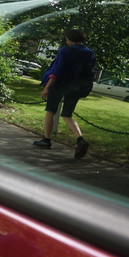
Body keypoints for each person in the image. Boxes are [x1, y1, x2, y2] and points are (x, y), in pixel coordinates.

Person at [32, 29, 96, 160]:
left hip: (60, 85)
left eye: (67, 39)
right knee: (67, 114)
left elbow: (57, 70)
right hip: (77, 87)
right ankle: (80, 140)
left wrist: (47, 87)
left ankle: (47, 140)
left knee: (50, 110)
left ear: (71, 40)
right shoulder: (90, 54)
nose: (66, 41)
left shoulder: (65, 51)